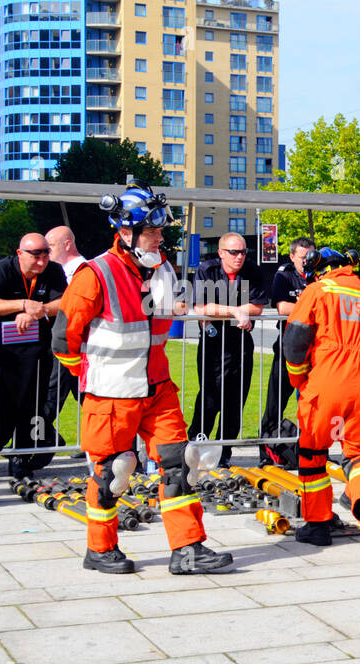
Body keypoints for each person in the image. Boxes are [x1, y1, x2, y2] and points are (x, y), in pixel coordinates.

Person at [51, 181, 233, 575]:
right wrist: (89, 376)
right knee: (113, 473)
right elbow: (64, 338)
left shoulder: (161, 267)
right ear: (126, 232)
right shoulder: (94, 274)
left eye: (160, 230)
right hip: (112, 394)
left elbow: (167, 313)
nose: (159, 237)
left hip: (158, 389)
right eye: (152, 231)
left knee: (180, 463)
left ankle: (188, 548)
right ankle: (99, 550)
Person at [283, 247, 360, 555]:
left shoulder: (319, 289)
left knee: (312, 450)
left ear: (319, 269)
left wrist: (300, 380)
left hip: (329, 376)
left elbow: (295, 340)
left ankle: (318, 525)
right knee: (358, 454)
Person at [0, 233, 68, 480]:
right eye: (36, 256)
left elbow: (65, 301)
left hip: (37, 354)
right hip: (0, 354)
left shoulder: (54, 270)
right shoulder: (1, 270)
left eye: (45, 254)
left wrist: (39, 310)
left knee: (31, 406)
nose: (41, 261)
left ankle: (21, 463)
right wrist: (22, 304)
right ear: (20, 253)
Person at [189, 232, 266, 467]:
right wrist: (235, 311)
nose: (240, 256)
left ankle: (223, 454)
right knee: (210, 398)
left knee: (236, 401)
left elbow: (258, 306)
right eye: (234, 252)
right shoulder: (207, 270)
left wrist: (229, 310)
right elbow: (202, 306)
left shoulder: (252, 271)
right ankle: (196, 446)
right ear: (221, 252)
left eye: (243, 252)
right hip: (214, 344)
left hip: (241, 342)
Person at [261, 236, 315, 447]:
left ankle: (314, 446)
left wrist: (304, 307)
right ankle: (266, 451)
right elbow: (282, 307)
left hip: (315, 349)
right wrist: (313, 308)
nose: (306, 262)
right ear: (292, 256)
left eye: (310, 257)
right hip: (289, 347)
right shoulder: (284, 275)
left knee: (313, 402)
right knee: (276, 401)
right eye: (302, 257)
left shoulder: (318, 275)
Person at [43, 226, 87, 419]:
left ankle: (39, 441)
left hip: (74, 344)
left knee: (53, 393)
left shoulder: (85, 271)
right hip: (65, 343)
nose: (46, 252)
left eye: (50, 246)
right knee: (84, 396)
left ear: (67, 245)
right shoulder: (56, 272)